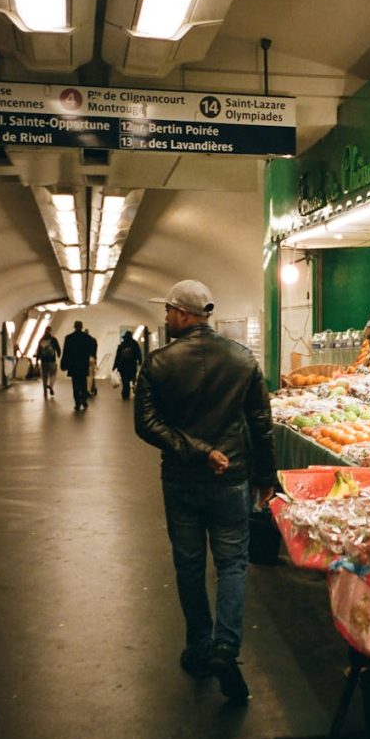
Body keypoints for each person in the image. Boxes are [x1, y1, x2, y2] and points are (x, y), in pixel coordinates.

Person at [135, 279, 276, 702]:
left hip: (180, 480)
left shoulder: (158, 363)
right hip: (232, 479)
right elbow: (261, 424)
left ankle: (198, 649)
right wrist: (265, 477)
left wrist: (194, 452)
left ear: (181, 314)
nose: (166, 318)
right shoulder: (242, 359)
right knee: (233, 565)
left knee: (189, 566)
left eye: (168, 312)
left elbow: (146, 424)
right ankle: (226, 648)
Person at [60, 321, 96, 411]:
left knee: (75, 385)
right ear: (82, 327)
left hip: (73, 365)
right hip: (83, 364)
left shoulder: (69, 338)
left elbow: (65, 352)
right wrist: (91, 355)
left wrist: (63, 363)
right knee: (83, 384)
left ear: (74, 327)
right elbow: (93, 345)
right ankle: (84, 400)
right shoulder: (87, 338)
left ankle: (77, 403)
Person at [113, 330, 143, 400]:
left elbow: (117, 356)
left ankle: (125, 393)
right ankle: (133, 387)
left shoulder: (121, 345)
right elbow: (138, 353)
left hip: (123, 365)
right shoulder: (135, 344)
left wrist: (114, 366)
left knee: (125, 380)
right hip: (132, 365)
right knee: (133, 378)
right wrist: (140, 362)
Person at [34, 326, 61, 398]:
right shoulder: (54, 339)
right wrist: (58, 354)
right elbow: (58, 348)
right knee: (53, 374)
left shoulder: (41, 340)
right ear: (50, 331)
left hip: (43, 361)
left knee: (44, 377)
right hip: (52, 361)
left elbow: (39, 351)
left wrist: (37, 361)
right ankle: (51, 386)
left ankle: (45, 392)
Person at [85, 328, 98, 397]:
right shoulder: (93, 340)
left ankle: (86, 389)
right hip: (92, 358)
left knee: (84, 375)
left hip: (84, 359)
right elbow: (95, 350)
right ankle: (89, 390)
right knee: (91, 375)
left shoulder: (82, 340)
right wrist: (95, 360)